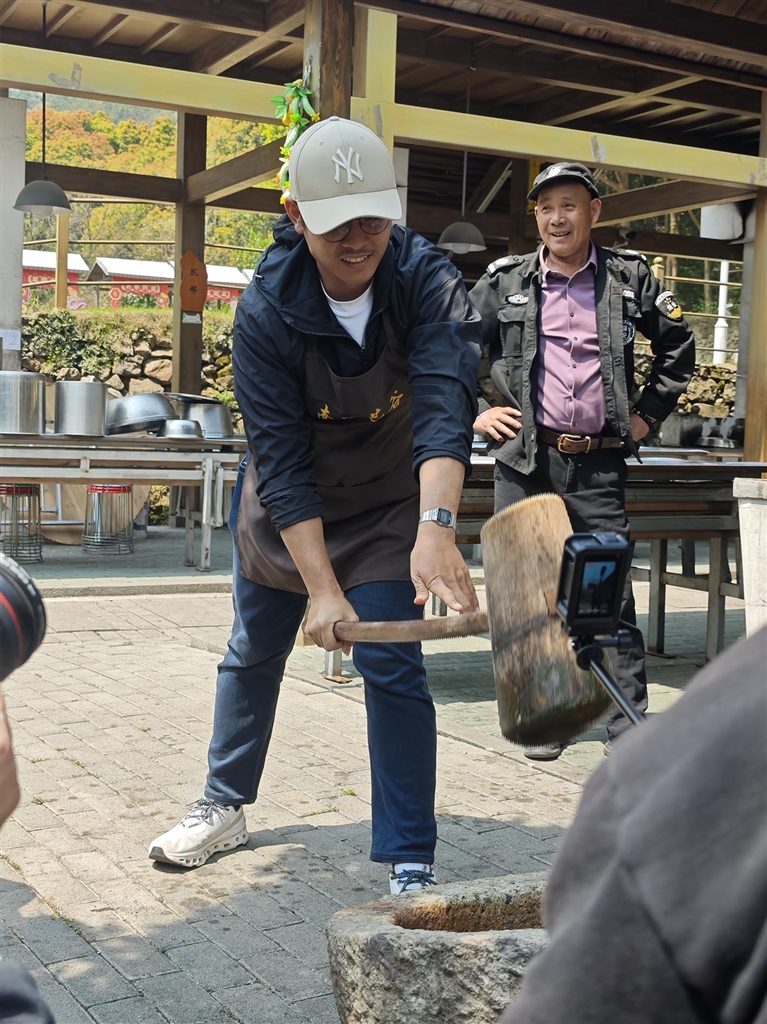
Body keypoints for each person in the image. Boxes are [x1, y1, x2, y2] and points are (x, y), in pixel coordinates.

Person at [149, 117, 482, 894]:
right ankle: (224, 802)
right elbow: (282, 460)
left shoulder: (426, 279)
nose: (358, 241)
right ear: (295, 215)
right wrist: (321, 590)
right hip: (288, 508)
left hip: (387, 501)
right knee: (253, 651)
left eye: (372, 220)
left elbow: (444, 405)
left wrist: (435, 527)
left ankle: (409, 853)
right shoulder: (266, 307)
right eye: (336, 225)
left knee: (391, 661)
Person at [469, 161, 695, 760]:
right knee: (530, 595)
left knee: (607, 592)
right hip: (526, 461)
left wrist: (646, 416)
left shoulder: (629, 278)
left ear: (594, 212)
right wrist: (477, 412)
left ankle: (627, 725)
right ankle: (548, 720)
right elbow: (448, 348)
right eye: (546, 208)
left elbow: (678, 347)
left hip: (598, 463)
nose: (557, 218)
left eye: (569, 205)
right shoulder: (506, 281)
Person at [500, 625, 767, 1024]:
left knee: (606, 620)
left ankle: (615, 717)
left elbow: (581, 1000)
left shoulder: (679, 767)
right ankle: (567, 714)